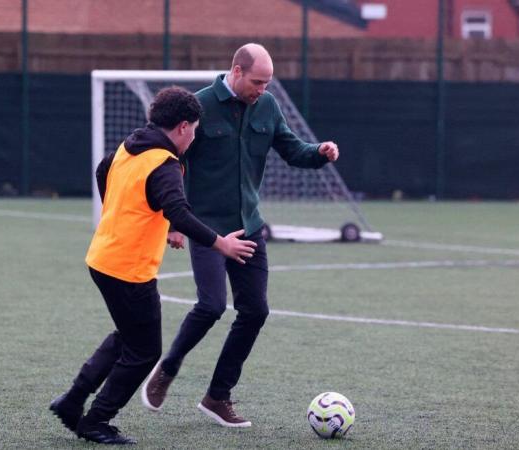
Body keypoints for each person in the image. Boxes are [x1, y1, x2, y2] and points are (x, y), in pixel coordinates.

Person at [141, 43, 340, 428]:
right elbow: (171, 164)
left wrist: (320, 152)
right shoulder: (197, 107)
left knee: (255, 311)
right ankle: (167, 368)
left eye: (267, 83)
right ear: (236, 71)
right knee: (212, 306)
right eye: (257, 81)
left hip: (248, 227)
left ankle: (218, 396)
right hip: (206, 228)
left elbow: (292, 149)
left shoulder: (267, 107)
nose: (262, 89)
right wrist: (174, 224)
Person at [49, 86, 257, 445]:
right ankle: (96, 420)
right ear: (182, 127)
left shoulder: (131, 146)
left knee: (127, 337)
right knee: (145, 351)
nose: (193, 136)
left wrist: (131, 215)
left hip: (103, 257)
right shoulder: (165, 163)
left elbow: (104, 171)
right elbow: (178, 209)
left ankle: (71, 402)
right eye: (193, 129)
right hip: (128, 269)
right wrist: (220, 242)